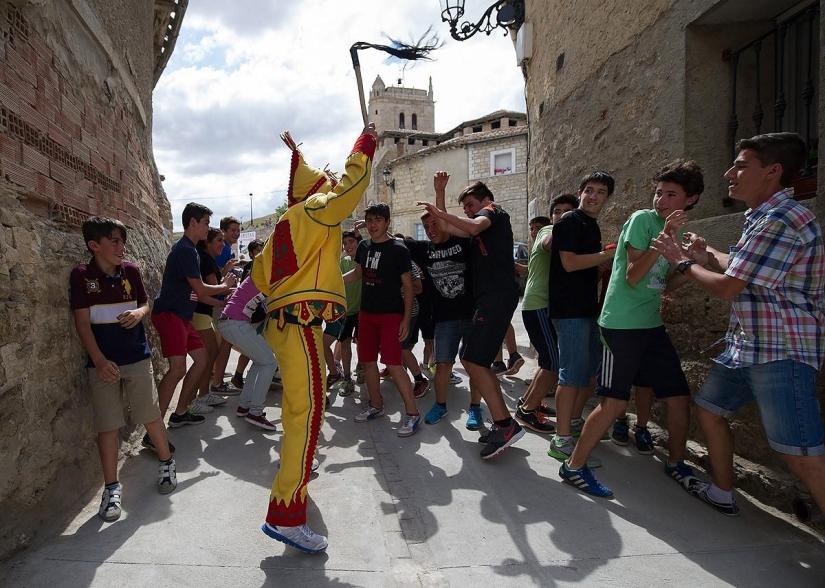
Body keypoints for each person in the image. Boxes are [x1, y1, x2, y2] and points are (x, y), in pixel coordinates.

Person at [653, 132, 825, 517]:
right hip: (748, 347)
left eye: (741, 165)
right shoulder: (763, 216)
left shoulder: (782, 219)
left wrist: (682, 260)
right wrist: (706, 252)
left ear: (772, 171)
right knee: (711, 408)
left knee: (800, 454)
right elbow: (741, 266)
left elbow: (730, 287)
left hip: (780, 352)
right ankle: (722, 492)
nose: (729, 172)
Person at [252, 126, 377, 553]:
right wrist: (364, 147)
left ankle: (291, 491)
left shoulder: (283, 226)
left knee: (297, 413)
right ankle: (286, 515)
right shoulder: (317, 209)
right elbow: (350, 189)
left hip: (284, 322)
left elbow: (257, 276)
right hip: (301, 324)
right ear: (317, 190)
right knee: (307, 414)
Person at [561, 160, 705, 497]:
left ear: (691, 199)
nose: (661, 200)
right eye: (658, 193)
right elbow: (633, 275)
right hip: (621, 325)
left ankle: (676, 462)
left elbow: (666, 284)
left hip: (651, 324)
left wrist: (692, 261)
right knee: (612, 403)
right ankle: (573, 466)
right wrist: (667, 236)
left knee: (679, 397)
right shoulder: (643, 220)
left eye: (671, 194)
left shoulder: (679, 231)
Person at [70, 216, 176, 522]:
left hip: (137, 357)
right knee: (108, 426)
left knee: (150, 414)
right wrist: (100, 361)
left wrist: (139, 313)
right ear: (94, 245)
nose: (121, 246)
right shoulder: (81, 276)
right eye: (114, 241)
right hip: (102, 364)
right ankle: (112, 487)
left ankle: (166, 462)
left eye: (122, 240)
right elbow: (82, 323)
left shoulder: (130, 270)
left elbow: (145, 303)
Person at [419, 173, 524, 459]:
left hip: (497, 296)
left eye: (470, 204)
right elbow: (446, 226)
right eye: (464, 206)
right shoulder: (477, 228)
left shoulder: (493, 212)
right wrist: (439, 193)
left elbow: (474, 224)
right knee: (476, 360)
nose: (467, 210)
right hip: (488, 299)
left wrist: (441, 210)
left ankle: (504, 423)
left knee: (472, 359)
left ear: (486, 200)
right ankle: (504, 423)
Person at [546, 172, 616, 466]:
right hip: (570, 310)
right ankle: (561, 440)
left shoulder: (590, 224)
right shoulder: (570, 221)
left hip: (586, 309)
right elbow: (570, 262)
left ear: (607, 198)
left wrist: (601, 263)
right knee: (571, 375)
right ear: (580, 192)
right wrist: (603, 255)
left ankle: (573, 422)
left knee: (586, 372)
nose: (593, 196)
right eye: (589, 190)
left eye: (601, 192)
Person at [152, 202, 236, 429]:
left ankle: (180, 412)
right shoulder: (185, 250)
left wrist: (224, 297)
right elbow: (200, 289)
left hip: (182, 316)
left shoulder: (192, 250)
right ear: (193, 222)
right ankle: (155, 429)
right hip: (170, 315)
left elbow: (197, 294)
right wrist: (224, 287)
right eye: (206, 223)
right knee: (178, 368)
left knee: (202, 360)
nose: (209, 228)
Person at [346, 202, 422, 436]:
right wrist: (332, 282)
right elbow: (358, 273)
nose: (373, 225)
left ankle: (412, 414)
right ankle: (376, 405)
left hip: (391, 314)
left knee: (393, 364)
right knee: (367, 362)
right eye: (369, 220)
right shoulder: (363, 246)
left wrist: (406, 319)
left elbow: (409, 286)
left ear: (387, 222)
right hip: (366, 314)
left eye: (378, 220)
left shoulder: (399, 249)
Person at [406, 202, 483, 430]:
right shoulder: (424, 250)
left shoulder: (463, 243)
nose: (430, 229)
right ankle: (440, 405)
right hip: (444, 320)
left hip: (471, 315)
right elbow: (396, 244)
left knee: (475, 366)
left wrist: (440, 196)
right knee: (442, 366)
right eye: (426, 226)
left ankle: (475, 407)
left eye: (434, 223)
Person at [515, 195, 579, 433]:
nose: (562, 216)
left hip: (543, 306)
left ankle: (527, 403)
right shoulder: (548, 231)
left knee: (547, 360)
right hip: (538, 306)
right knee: (553, 364)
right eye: (558, 212)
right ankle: (527, 411)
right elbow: (549, 243)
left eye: (568, 211)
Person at [216, 276, 279, 431]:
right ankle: (256, 412)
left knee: (260, 362)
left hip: (230, 322)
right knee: (270, 363)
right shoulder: (267, 276)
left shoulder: (260, 274)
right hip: (235, 323)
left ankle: (244, 406)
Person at [190, 228, 233, 414]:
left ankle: (203, 393)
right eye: (219, 240)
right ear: (207, 242)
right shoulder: (205, 260)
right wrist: (230, 289)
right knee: (207, 354)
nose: (222, 244)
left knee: (211, 352)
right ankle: (194, 398)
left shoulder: (205, 258)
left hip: (203, 312)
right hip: (199, 312)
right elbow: (214, 288)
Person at [210, 216, 244, 395]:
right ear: (223, 231)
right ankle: (217, 382)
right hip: (218, 300)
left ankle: (215, 374)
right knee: (225, 340)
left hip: (220, 298)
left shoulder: (226, 250)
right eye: (233, 230)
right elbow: (216, 277)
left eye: (238, 231)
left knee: (220, 339)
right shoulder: (223, 250)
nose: (236, 234)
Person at [335, 230, 363, 397]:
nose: (348, 246)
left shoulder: (365, 261)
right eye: (345, 243)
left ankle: (361, 369)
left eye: (351, 241)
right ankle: (346, 377)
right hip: (346, 311)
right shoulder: (343, 262)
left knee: (361, 342)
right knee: (344, 343)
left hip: (363, 310)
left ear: (358, 243)